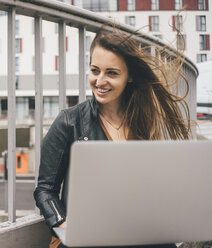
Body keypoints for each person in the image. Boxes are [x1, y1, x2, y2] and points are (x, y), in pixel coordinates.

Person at [33, 29, 191, 248]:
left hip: (130, 228)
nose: (100, 81)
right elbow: (45, 190)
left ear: (130, 76)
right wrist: (63, 223)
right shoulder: (69, 122)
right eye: (95, 70)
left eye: (112, 73)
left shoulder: (143, 120)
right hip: (85, 234)